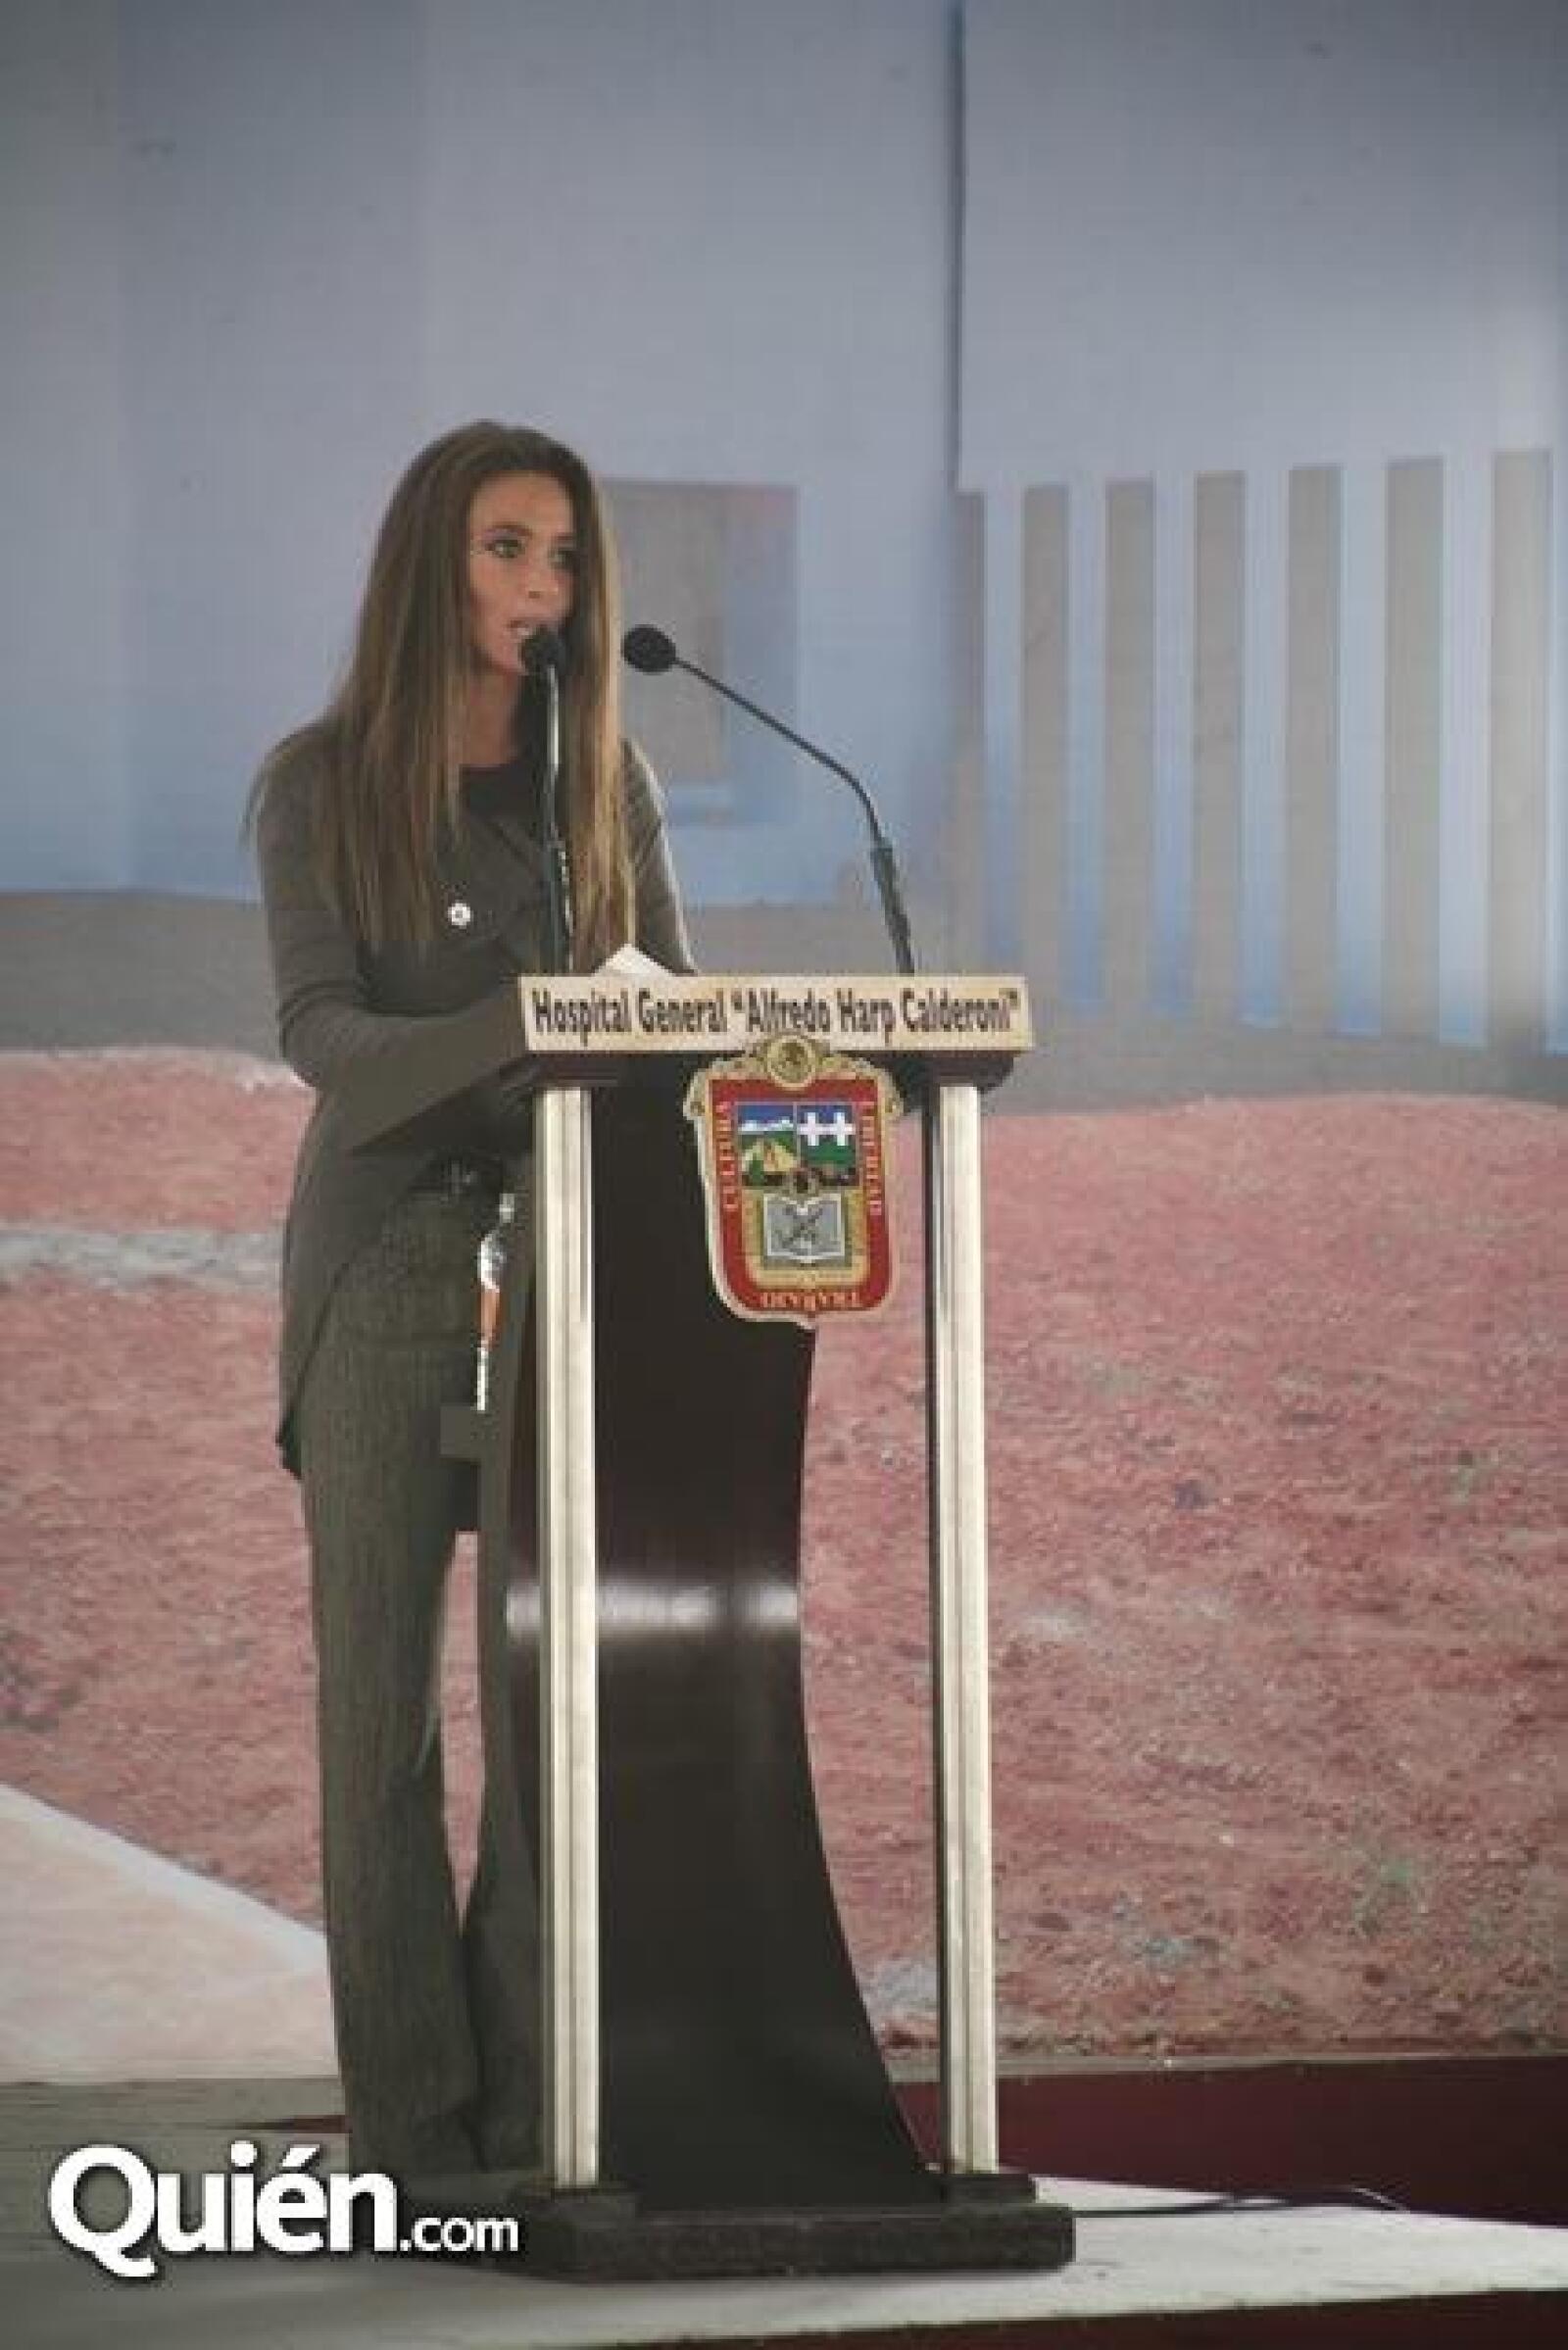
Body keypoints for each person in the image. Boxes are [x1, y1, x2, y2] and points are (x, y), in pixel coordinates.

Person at [251, 420, 693, 2181]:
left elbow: (674, 1007)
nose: (542, 587)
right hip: (382, 1266)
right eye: (510, 549)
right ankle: (414, 2140)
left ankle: (532, 2122)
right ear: (436, 561)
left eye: (567, 558)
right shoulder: (319, 778)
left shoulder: (609, 781)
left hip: (571, 1255)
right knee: (384, 1728)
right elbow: (320, 1036)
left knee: (544, 1716)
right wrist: (512, 1042)